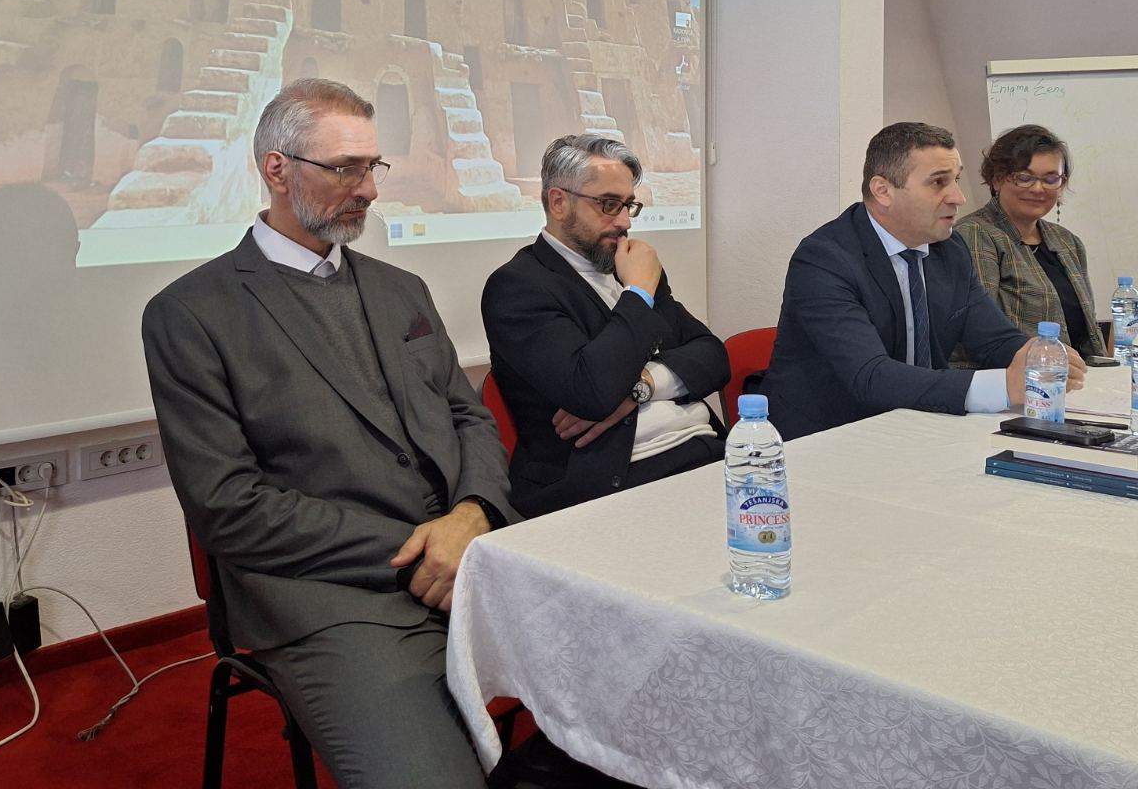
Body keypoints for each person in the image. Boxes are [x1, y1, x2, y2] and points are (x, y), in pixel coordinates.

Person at [141, 78, 517, 789]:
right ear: (276, 169)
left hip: (473, 556)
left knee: (633, 706)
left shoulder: (401, 289)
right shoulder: (191, 314)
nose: (368, 189)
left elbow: (468, 417)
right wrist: (420, 549)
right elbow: (228, 507)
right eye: (344, 168)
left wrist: (472, 514)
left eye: (372, 167)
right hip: (332, 595)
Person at [759, 121, 1087, 439]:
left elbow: (993, 339)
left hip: (918, 426)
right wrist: (1005, 385)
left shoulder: (950, 249)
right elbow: (871, 376)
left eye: (956, 180)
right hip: (828, 438)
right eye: (938, 183)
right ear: (883, 191)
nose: (958, 197)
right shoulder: (824, 259)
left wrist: (1036, 356)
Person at [482, 134, 729, 517]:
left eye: (628, 205)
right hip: (615, 481)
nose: (624, 221)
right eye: (609, 205)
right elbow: (592, 392)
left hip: (705, 451)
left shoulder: (629, 267)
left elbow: (713, 357)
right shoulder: (518, 286)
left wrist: (643, 386)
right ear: (558, 202)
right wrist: (638, 293)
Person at [953, 124, 1107, 361]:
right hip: (1013, 378)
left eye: (1051, 179)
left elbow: (1089, 334)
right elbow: (980, 332)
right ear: (997, 179)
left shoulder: (1068, 242)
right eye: (1024, 178)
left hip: (1076, 375)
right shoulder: (974, 235)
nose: (1038, 189)